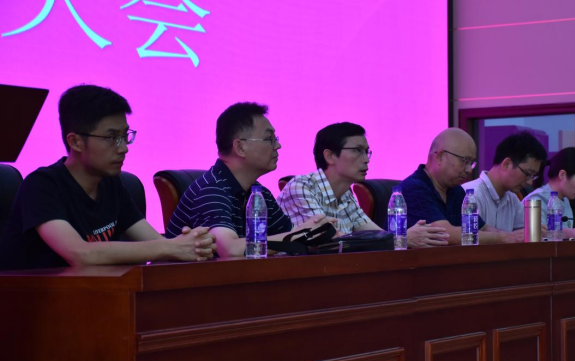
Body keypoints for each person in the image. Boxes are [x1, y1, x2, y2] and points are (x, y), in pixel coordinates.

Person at [0, 84, 216, 272]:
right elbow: (80, 254)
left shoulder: (112, 184)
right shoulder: (42, 185)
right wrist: (171, 247)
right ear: (75, 142)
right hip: (33, 300)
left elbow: (156, 243)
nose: (123, 148)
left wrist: (194, 245)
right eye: (112, 137)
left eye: (125, 136)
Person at [166, 102, 334, 257]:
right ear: (240, 147)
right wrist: (300, 235)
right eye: (269, 139)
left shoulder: (259, 193)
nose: (278, 146)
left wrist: (317, 235)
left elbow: (289, 239)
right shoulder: (211, 190)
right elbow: (230, 250)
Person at [277, 122, 449, 248]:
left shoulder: (346, 194)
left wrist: (405, 236)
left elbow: (376, 234)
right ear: (330, 156)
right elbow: (327, 241)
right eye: (357, 150)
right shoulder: (301, 187)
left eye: (367, 152)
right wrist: (402, 239)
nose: (366, 159)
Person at [400, 127, 522, 245]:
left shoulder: (456, 190)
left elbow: (482, 228)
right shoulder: (414, 188)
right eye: (465, 161)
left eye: (471, 163)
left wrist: (515, 236)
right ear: (440, 157)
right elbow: (445, 234)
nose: (469, 170)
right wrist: (504, 238)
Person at [462, 131, 548, 234]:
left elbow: (531, 232)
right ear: (506, 164)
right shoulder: (471, 195)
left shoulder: (512, 199)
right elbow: (468, 238)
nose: (530, 182)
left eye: (533, 176)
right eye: (528, 174)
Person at [523, 147, 575, 238]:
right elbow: (538, 239)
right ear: (562, 175)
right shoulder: (535, 200)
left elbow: (564, 234)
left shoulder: (564, 199)